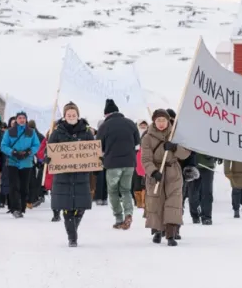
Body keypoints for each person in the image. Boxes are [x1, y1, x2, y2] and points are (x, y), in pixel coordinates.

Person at [45, 102, 94, 247]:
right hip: (63, 177)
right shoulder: (57, 132)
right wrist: (47, 157)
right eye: (68, 115)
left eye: (73, 115)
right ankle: (72, 237)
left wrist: (97, 160)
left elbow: (93, 151)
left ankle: (72, 229)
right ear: (64, 116)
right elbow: (48, 150)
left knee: (81, 207)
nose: (71, 117)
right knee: (67, 208)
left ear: (78, 116)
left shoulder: (86, 132)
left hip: (81, 176)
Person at [141, 109, 191, 246]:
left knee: (174, 202)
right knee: (156, 202)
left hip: (173, 172)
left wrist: (175, 148)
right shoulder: (147, 137)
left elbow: (186, 154)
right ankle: (157, 231)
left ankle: (171, 234)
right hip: (157, 173)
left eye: (164, 120)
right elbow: (145, 159)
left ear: (168, 120)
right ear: (154, 121)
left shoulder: (176, 134)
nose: (161, 123)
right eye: (158, 120)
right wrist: (153, 171)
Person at [97, 98, 141, 230]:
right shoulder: (131, 123)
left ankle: (119, 218)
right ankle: (128, 213)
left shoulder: (104, 126)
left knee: (113, 191)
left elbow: (99, 146)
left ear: (106, 114)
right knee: (126, 190)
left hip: (112, 164)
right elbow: (137, 143)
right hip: (129, 163)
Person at [0, 112, 40, 218]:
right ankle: (15, 208)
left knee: (24, 187)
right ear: (16, 120)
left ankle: (22, 207)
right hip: (13, 161)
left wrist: (29, 152)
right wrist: (12, 152)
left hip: (26, 162)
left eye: (23, 118)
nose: (21, 120)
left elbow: (37, 145)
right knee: (14, 186)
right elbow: (3, 146)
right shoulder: (9, 132)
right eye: (19, 118)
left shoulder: (31, 132)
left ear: (26, 120)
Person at [189, 153, 218, 225]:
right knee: (193, 192)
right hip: (193, 163)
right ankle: (195, 214)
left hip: (208, 164)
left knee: (207, 191)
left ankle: (206, 217)